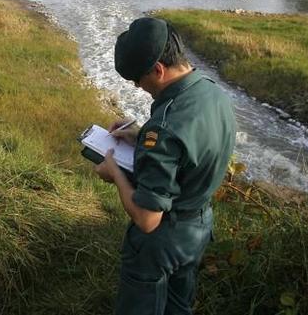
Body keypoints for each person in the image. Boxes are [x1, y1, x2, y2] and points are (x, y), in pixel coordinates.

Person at [95, 17, 237, 315]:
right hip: (198, 227)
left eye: (138, 80)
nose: (138, 86)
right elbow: (190, 148)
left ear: (158, 69)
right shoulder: (213, 92)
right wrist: (140, 136)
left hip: (162, 242)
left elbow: (147, 219)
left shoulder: (164, 127)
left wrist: (115, 173)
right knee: (178, 306)